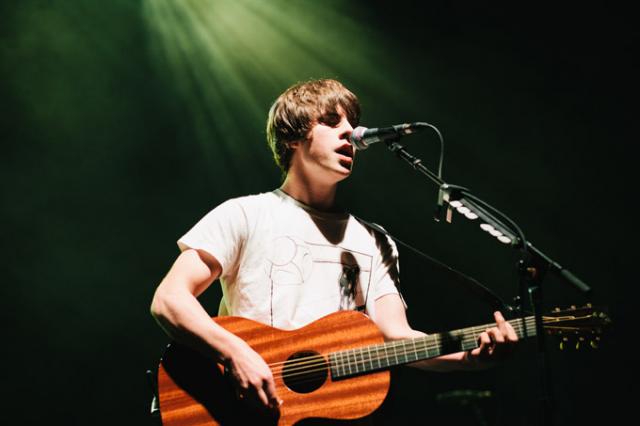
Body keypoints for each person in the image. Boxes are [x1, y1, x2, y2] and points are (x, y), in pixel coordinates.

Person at [150, 78, 518, 420]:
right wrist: (235, 353)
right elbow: (169, 300)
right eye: (331, 122)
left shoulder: (374, 240)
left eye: (352, 123)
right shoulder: (245, 214)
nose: (350, 132)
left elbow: (396, 336)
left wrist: (469, 358)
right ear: (292, 138)